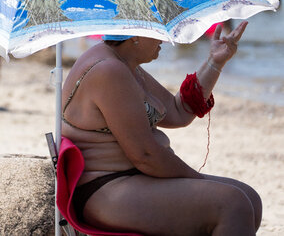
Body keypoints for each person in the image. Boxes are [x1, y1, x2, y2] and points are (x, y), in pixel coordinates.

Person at [60, 23, 261, 234]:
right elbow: (145, 156)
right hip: (106, 190)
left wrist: (215, 62)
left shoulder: (123, 61)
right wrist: (198, 179)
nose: (165, 39)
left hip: (131, 179)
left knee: (249, 197)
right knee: (233, 203)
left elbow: (177, 111)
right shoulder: (108, 70)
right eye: (157, 32)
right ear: (136, 35)